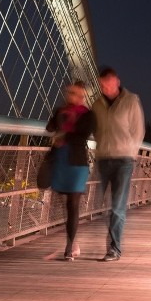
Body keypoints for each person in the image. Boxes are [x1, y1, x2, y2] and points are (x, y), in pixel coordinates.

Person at [92, 66, 145, 262]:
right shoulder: (97, 105)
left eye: (108, 84)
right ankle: (110, 241)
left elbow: (138, 131)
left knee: (117, 206)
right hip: (104, 158)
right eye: (102, 85)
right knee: (102, 204)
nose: (105, 88)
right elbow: (96, 130)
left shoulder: (131, 101)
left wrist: (131, 152)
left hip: (124, 159)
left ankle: (114, 248)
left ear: (117, 82)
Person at [46, 80, 96, 261]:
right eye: (69, 92)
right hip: (60, 159)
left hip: (77, 162)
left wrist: (65, 134)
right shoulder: (61, 111)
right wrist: (61, 115)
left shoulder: (88, 115)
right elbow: (49, 127)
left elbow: (83, 134)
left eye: (75, 93)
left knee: (73, 203)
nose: (71, 96)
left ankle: (70, 245)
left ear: (82, 95)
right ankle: (72, 239)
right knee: (62, 202)